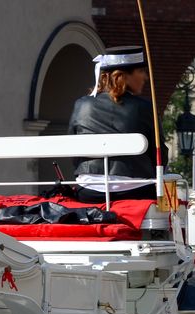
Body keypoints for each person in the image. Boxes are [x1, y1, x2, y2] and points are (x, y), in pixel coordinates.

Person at [68, 46, 168, 203]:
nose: (146, 77)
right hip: (135, 190)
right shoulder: (145, 107)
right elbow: (160, 154)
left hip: (89, 191)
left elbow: (74, 150)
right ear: (123, 76)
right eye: (141, 71)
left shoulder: (81, 104)